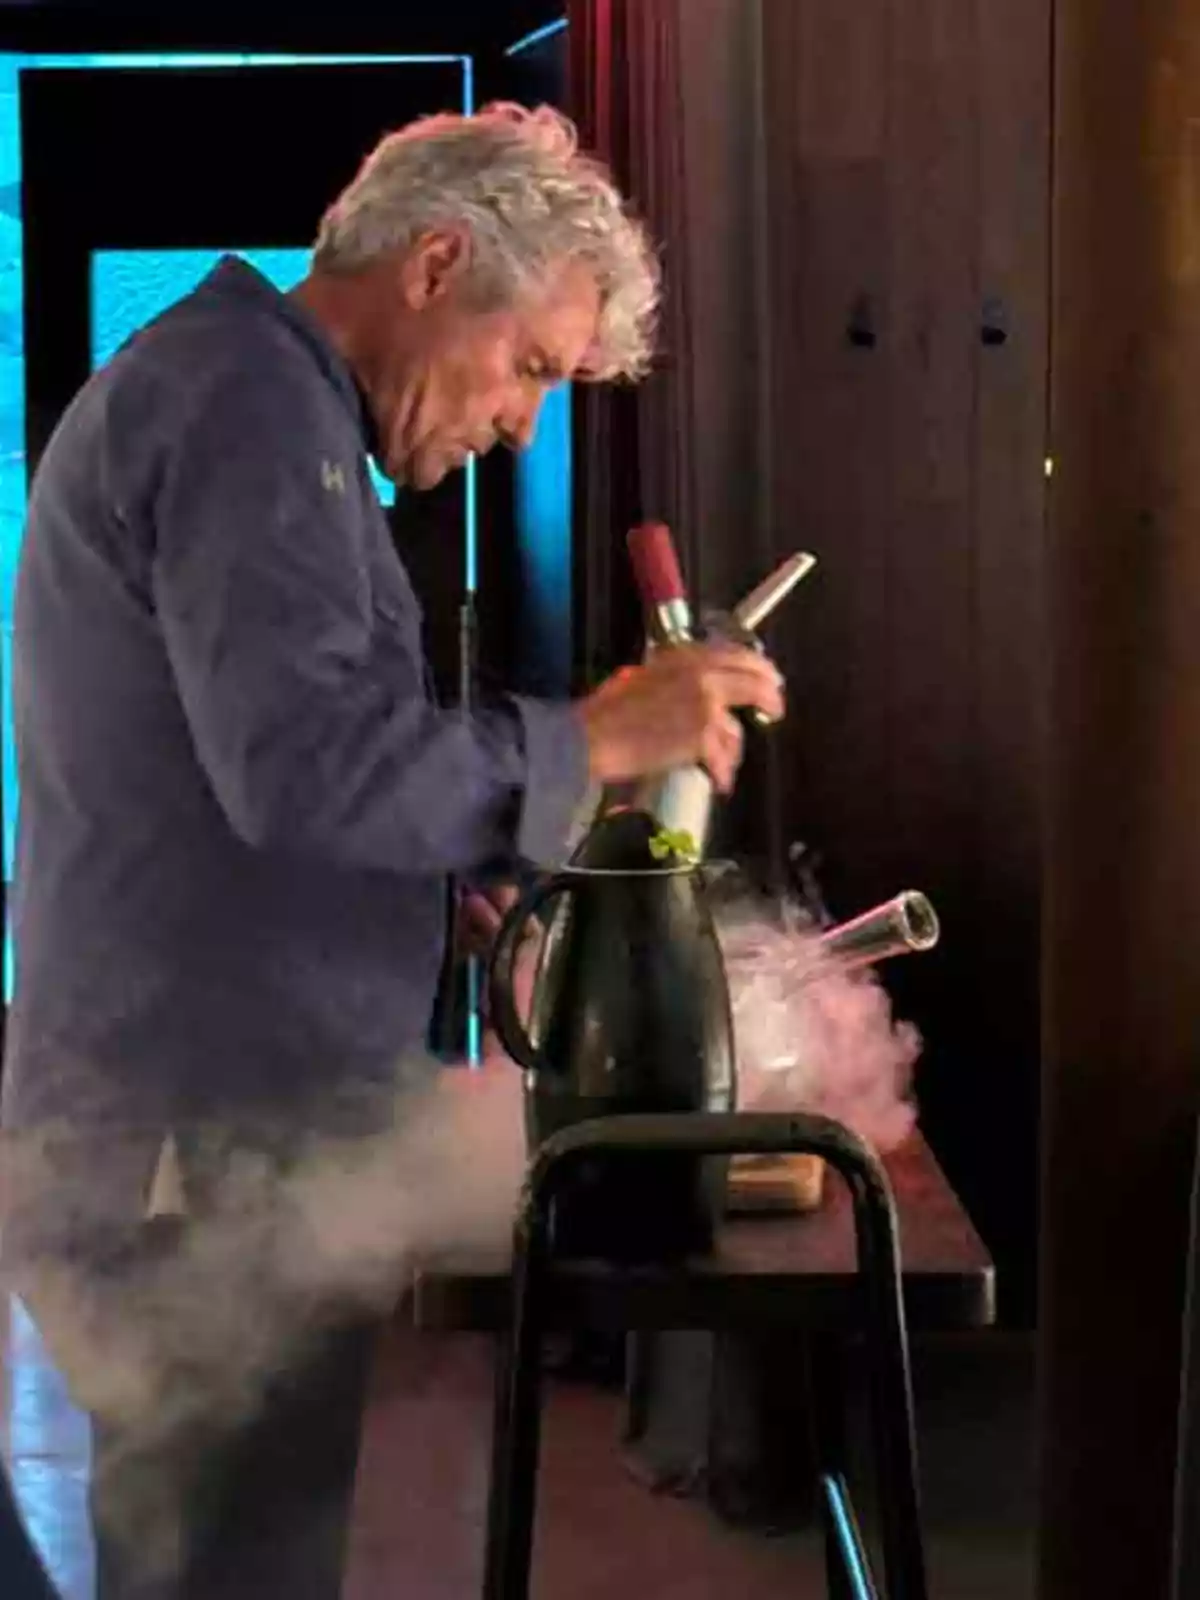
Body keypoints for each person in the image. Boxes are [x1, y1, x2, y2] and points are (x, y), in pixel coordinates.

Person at [0, 103, 784, 1597]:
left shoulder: (250, 397)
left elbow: (270, 769)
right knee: (230, 1570)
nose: (523, 424)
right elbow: (304, 770)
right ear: (435, 263)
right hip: (199, 1147)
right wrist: (598, 735)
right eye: (532, 368)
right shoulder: (244, 405)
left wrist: (440, 895)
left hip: (192, 1126)